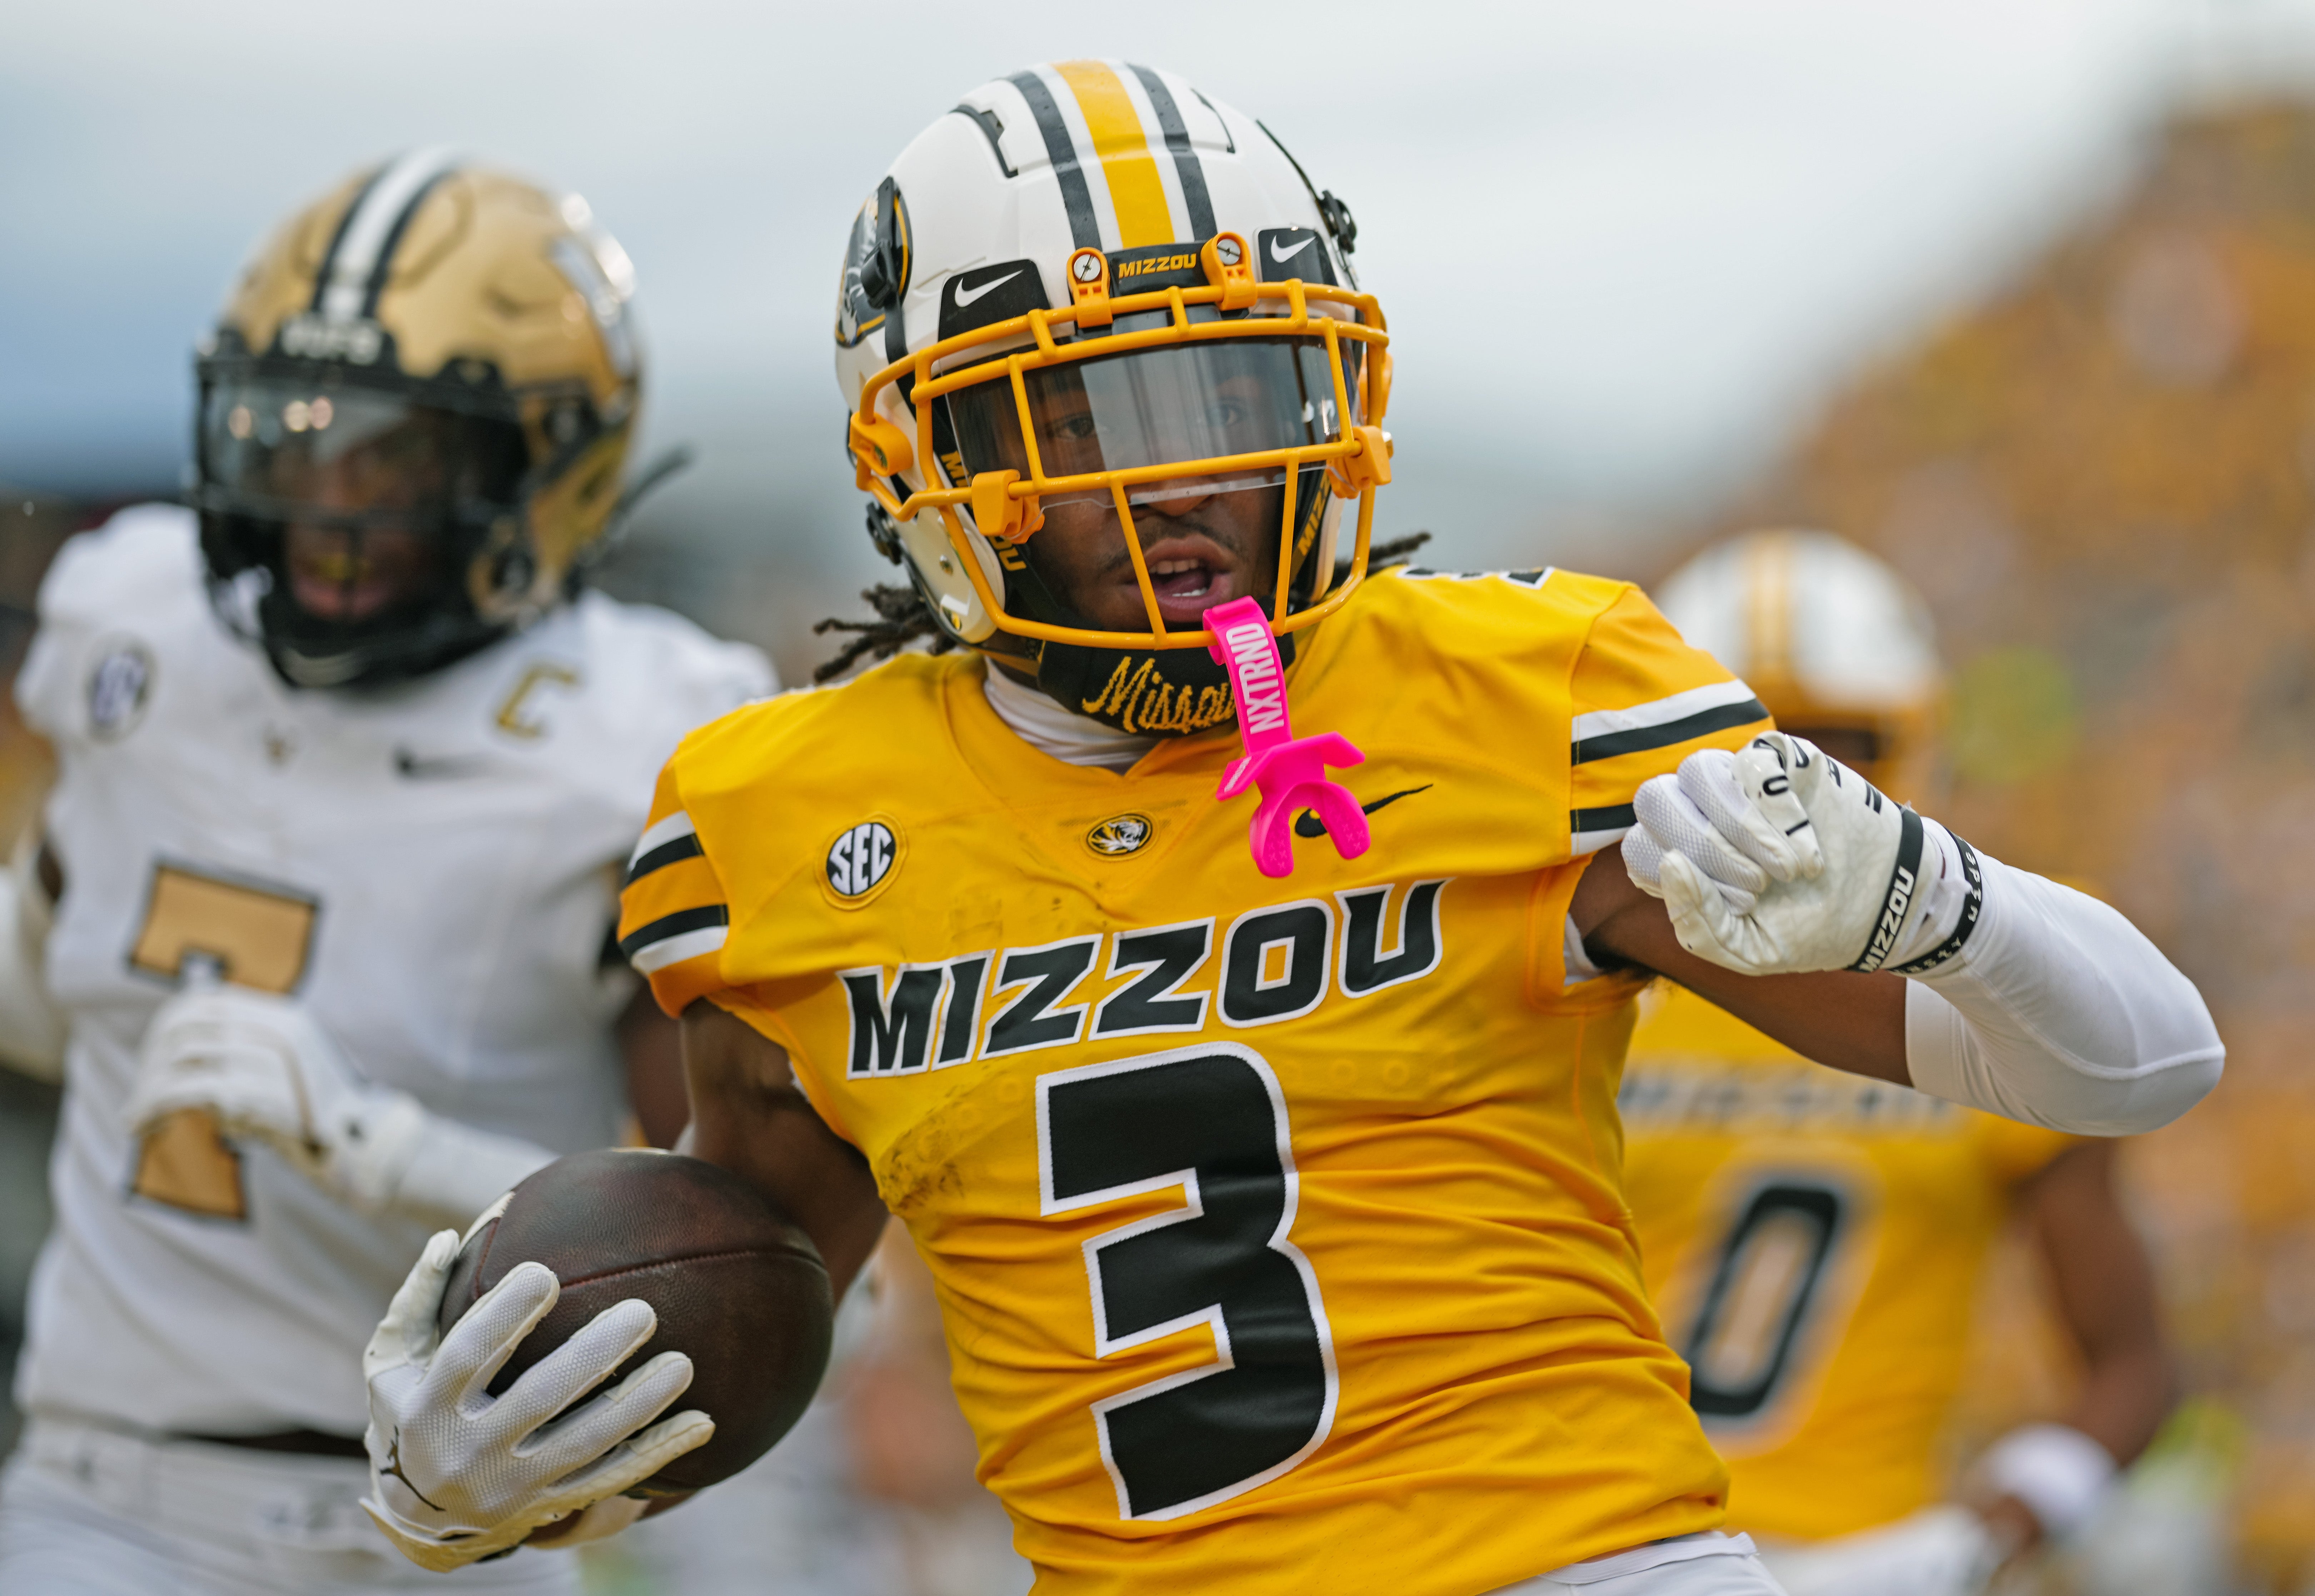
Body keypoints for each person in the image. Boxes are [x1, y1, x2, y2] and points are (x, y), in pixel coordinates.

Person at [355, 65, 2225, 1596]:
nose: (1194, 483)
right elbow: (754, 1277)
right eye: (1093, 418)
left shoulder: (1528, 689)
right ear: (925, 460)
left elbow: (2145, 1066)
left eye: (1237, 398)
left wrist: (1942, 900)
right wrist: (505, 1460)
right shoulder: (767, 827)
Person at [0, 153, 771, 1594]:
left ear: (552, 467)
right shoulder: (136, 627)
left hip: (456, 1528)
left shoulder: (647, 737)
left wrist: (372, 1145)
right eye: (292, 446)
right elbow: (49, 992)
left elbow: (724, 1229)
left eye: (401, 462)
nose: (328, 517)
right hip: (106, 1500)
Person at [1617, 530, 2175, 1596]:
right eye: (1762, 742)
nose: (1800, 780)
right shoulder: (1587, 979)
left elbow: (2132, 1364)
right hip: (1597, 1552)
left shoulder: (1986, 1005)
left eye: (1840, 741)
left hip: (1861, 1557)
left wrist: (1981, 1531)